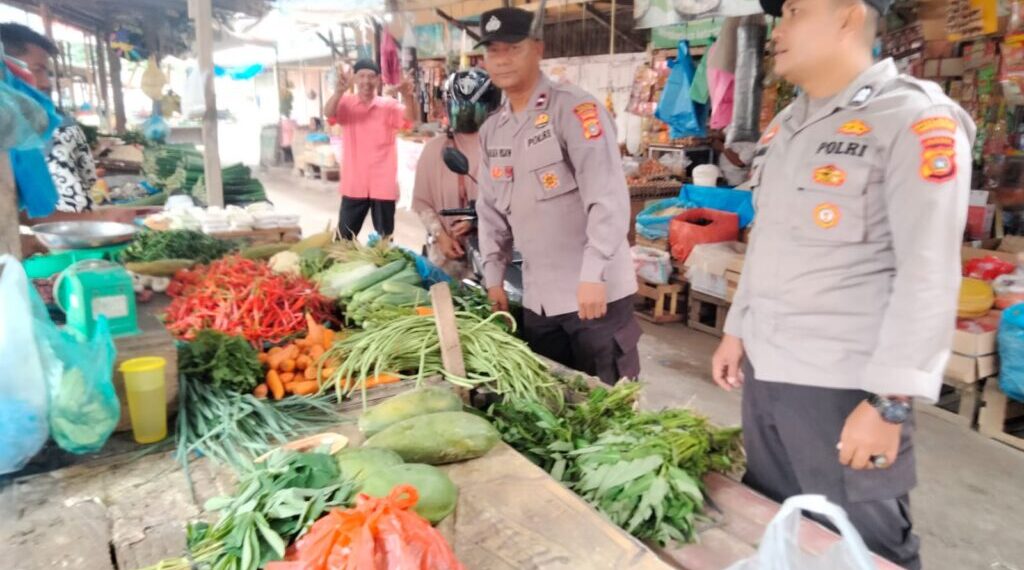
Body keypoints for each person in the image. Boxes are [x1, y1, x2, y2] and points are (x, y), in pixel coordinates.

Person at [710, 0, 974, 567]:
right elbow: (770, 240)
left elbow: (928, 272)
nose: (778, 31)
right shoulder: (788, 125)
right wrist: (737, 330)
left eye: (796, 12)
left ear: (849, 17)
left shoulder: (914, 119)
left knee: (865, 549)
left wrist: (890, 402)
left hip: (845, 389)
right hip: (769, 372)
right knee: (784, 528)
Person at [475, 8, 642, 385]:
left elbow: (608, 197)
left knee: (610, 409)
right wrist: (494, 278)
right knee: (557, 405)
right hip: (540, 300)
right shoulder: (492, 132)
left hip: (594, 297)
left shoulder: (575, 109)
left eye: (512, 48)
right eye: (492, 50)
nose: (501, 59)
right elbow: (489, 213)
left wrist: (594, 272)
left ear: (538, 49)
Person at [412, 68, 501, 280]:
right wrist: (440, 236)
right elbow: (422, 203)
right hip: (445, 256)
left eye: (473, 109)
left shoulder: (501, 148)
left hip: (493, 255)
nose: (465, 115)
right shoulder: (435, 149)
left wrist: (476, 220)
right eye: (459, 109)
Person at [2, 23, 97, 213]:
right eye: (38, 70)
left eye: (47, 72)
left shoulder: (26, 138)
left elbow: (25, 215)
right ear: (6, 67)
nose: (46, 82)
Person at [323, 59, 418, 240]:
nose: (366, 81)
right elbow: (328, 113)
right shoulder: (345, 104)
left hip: (383, 184)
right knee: (343, 239)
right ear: (354, 79)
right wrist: (338, 93)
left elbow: (410, 119)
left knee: (384, 240)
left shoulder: (388, 106)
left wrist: (408, 96)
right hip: (354, 183)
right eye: (361, 76)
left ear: (379, 80)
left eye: (371, 77)